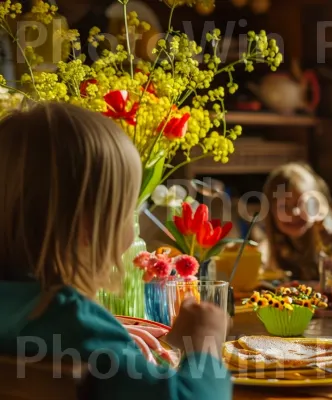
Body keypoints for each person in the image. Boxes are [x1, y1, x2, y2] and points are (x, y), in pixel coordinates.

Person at [0, 102, 232, 399]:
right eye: (127, 210)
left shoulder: (54, 321)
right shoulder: (77, 323)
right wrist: (205, 346)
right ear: (87, 226)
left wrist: (109, 331)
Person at [262, 162, 332, 281]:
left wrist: (326, 227)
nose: (295, 212)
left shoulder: (330, 234)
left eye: (302, 204)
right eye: (283, 207)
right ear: (271, 212)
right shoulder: (275, 245)